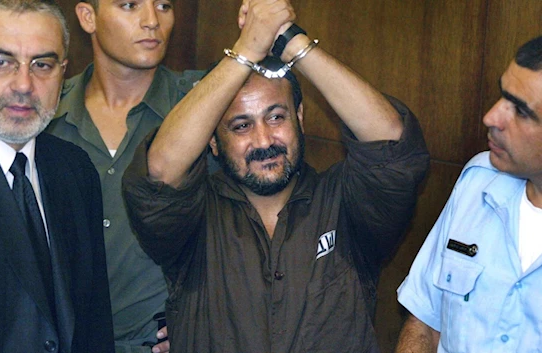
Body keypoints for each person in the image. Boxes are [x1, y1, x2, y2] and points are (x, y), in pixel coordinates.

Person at [121, 0, 430, 351]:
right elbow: (159, 176)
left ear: (300, 116)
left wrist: (290, 42)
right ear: (212, 141)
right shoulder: (192, 217)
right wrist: (246, 50)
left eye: (276, 117)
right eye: (241, 126)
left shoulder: (346, 201)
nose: (264, 140)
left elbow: (393, 146)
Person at [0, 0, 114, 352]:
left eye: (42, 64)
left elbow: (94, 323)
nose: (24, 84)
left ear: (63, 71)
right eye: (1, 62)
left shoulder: (75, 170)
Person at [45, 0, 204, 352]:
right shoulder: (45, 111)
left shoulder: (200, 107)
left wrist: (207, 322)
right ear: (88, 17)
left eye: (164, 5)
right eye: (130, 5)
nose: (152, 21)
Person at [395, 36, 542, 353]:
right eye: (502, 95)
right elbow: (424, 320)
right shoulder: (479, 179)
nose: (491, 117)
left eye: (520, 110)